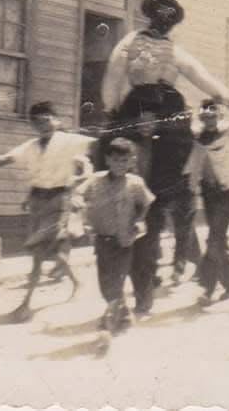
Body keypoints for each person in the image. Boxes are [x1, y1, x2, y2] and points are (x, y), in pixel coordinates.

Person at [101, 0, 229, 285]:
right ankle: (144, 264)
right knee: (131, 172)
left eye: (169, 16)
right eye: (160, 14)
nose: (164, 21)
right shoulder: (130, 42)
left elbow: (198, 74)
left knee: (175, 181)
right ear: (151, 14)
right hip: (138, 107)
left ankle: (187, 255)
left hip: (169, 110)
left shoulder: (175, 50)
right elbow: (114, 75)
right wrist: (111, 107)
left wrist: (226, 98)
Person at [0, 102, 95, 322]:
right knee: (52, 253)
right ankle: (77, 282)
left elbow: (96, 145)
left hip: (59, 200)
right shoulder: (31, 146)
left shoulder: (69, 141)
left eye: (47, 119)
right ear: (33, 125)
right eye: (38, 122)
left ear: (57, 120)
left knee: (39, 254)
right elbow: (5, 160)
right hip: (37, 201)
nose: (44, 125)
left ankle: (25, 305)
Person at [78, 138, 155, 335]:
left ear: (131, 162)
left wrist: (139, 220)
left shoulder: (135, 183)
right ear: (107, 160)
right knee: (105, 284)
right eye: (116, 160)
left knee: (117, 281)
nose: (120, 165)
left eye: (125, 161)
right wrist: (79, 208)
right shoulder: (96, 180)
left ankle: (108, 322)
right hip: (101, 239)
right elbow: (79, 194)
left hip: (124, 240)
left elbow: (145, 203)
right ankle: (125, 314)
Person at [190, 98, 229, 304]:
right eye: (205, 116)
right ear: (201, 118)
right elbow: (196, 165)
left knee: (214, 239)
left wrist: (228, 102)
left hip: (226, 191)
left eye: (213, 116)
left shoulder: (226, 132)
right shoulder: (198, 138)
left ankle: (207, 288)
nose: (209, 120)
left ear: (219, 116)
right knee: (219, 238)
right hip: (208, 192)